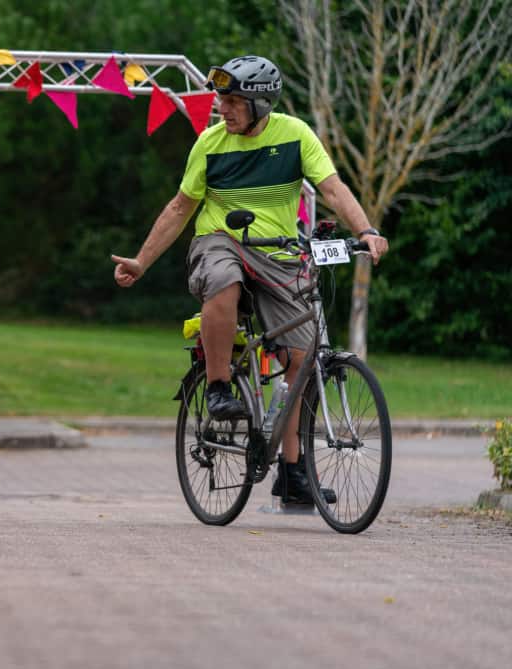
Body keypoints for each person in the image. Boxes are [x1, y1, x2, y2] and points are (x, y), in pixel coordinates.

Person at [111, 56, 388, 505]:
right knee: (223, 277)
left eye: (234, 100)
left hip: (278, 251)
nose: (222, 107)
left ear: (261, 103)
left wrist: (366, 230)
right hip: (221, 240)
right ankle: (219, 386)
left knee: (302, 357)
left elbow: (333, 188)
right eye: (220, 97)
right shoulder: (209, 144)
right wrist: (142, 261)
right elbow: (181, 208)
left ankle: (294, 473)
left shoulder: (296, 136)